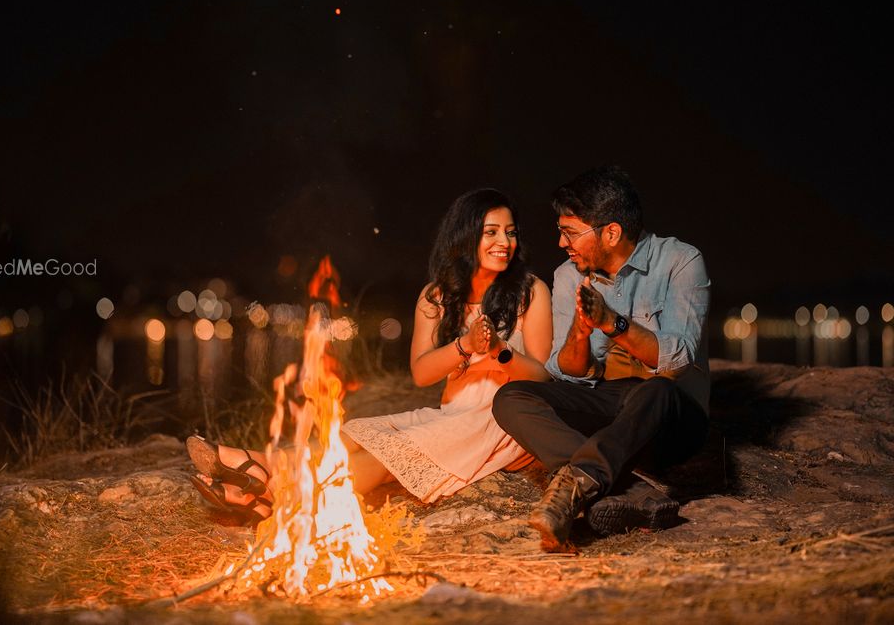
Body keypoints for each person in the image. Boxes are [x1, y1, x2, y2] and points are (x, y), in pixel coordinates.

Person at [187, 188, 553, 522]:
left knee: (386, 455)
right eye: (491, 232)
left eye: (511, 232)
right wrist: (464, 347)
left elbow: (542, 378)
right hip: (455, 413)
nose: (504, 241)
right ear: (466, 235)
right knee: (355, 435)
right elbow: (422, 374)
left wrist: (499, 351)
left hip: (504, 420)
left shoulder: (530, 291)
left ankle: (277, 494)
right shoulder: (436, 296)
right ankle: (262, 466)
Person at [492, 165, 711, 551]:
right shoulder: (569, 276)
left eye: (570, 232)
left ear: (611, 232)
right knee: (512, 398)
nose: (561, 242)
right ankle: (630, 491)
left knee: (656, 388)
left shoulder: (680, 261)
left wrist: (612, 323)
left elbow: (678, 360)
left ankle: (576, 485)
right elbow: (572, 375)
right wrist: (580, 333)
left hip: (669, 417)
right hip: (611, 408)